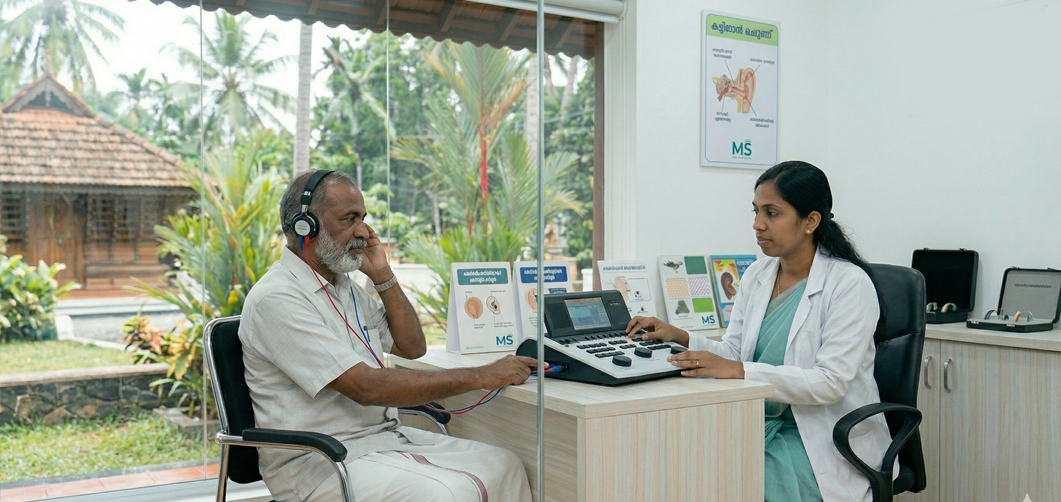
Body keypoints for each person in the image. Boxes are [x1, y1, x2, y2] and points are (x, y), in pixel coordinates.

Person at [240, 169, 537, 502]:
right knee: (449, 494)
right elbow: (365, 387)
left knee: (506, 465)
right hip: (320, 463)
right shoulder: (277, 298)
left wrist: (382, 274)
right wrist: (482, 375)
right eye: (349, 219)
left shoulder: (345, 289)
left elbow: (411, 347)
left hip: (381, 441)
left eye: (363, 218)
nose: (363, 233)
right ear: (304, 226)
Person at [625, 161, 893, 502]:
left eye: (772, 213)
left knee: (737, 479)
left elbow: (831, 383)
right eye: (755, 211)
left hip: (821, 436)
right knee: (687, 462)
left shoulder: (849, 285)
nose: (757, 224)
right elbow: (737, 354)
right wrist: (680, 336)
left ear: (810, 221)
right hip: (761, 421)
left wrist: (735, 370)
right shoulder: (757, 275)